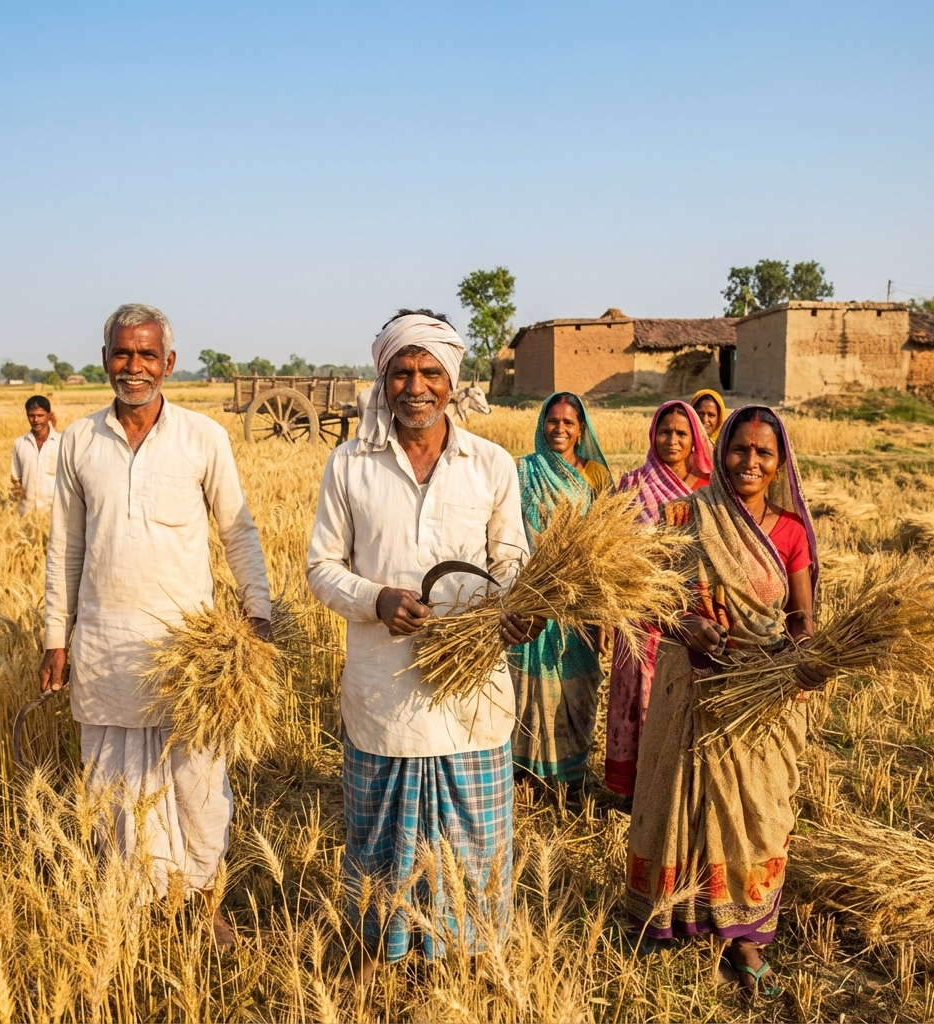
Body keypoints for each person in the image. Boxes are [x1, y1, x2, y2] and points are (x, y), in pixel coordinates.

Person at [306, 309, 537, 982]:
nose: (415, 385)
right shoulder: (349, 465)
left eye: (430, 371)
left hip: (471, 693)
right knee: (382, 841)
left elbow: (512, 561)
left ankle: (462, 962)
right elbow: (321, 568)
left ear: (452, 380)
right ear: (382, 379)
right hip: (386, 690)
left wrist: (518, 610)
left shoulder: (490, 464)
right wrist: (375, 600)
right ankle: (383, 953)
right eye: (401, 371)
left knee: (473, 840)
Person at [40, 303, 270, 948]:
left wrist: (258, 614)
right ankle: (142, 912)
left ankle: (204, 903)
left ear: (168, 363)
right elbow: (65, 548)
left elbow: (238, 530)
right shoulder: (80, 442)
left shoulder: (203, 438)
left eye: (146, 355)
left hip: (190, 650)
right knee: (115, 788)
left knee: (198, 783)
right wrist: (56, 637)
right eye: (122, 353)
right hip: (106, 644)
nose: (133, 367)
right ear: (105, 359)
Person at [625, 405, 830, 997]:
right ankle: (684, 919)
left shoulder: (790, 531)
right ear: (721, 453)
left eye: (764, 453)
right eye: (740, 449)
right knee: (680, 801)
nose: (750, 462)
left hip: (759, 694)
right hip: (688, 683)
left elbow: (801, 619)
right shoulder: (684, 517)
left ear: (779, 462)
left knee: (758, 812)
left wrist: (805, 661)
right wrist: (685, 624)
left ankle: (744, 937)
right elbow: (650, 601)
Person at [604, 401, 712, 800]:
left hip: (694, 613)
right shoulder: (633, 484)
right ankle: (636, 790)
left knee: (681, 696)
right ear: (653, 434)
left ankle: (676, 787)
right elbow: (614, 546)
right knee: (637, 696)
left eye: (681, 434)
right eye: (665, 432)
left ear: (695, 439)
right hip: (640, 610)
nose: (672, 440)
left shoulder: (709, 489)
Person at [508, 392, 612, 796]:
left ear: (581, 430)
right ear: (541, 424)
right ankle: (522, 773)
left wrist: (603, 612)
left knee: (575, 685)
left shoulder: (595, 477)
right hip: (531, 597)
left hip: (578, 602)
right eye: (553, 421)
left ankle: (571, 776)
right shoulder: (522, 471)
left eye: (569, 423)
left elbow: (608, 543)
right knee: (525, 687)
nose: (560, 429)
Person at [10, 395, 61, 516]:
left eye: (40, 415)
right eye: (31, 416)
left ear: (49, 415)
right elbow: (16, 478)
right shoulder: (19, 443)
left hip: (53, 513)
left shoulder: (62, 442)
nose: (36, 420)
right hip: (26, 513)